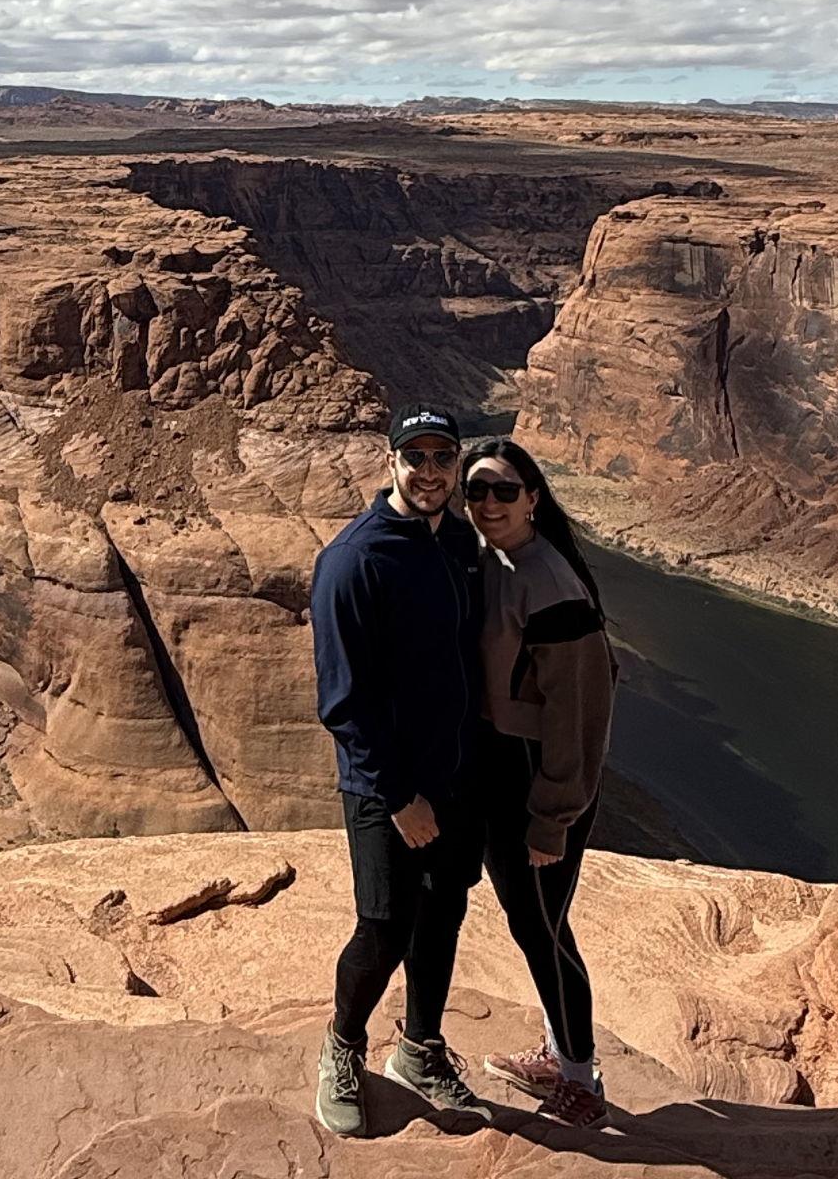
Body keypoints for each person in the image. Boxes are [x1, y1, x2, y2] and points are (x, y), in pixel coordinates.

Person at [309, 404, 491, 1137]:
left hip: (456, 774)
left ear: (457, 465)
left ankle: (419, 1049)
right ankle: (342, 1048)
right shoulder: (355, 560)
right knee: (384, 925)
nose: (428, 472)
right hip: (386, 786)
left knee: (443, 910)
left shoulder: (457, 545)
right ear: (390, 463)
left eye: (441, 458)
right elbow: (342, 704)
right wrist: (398, 796)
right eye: (413, 457)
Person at [464, 438, 616, 1130]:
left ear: (533, 497)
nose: (489, 503)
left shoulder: (550, 583)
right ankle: (561, 1050)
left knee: (543, 930)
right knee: (535, 926)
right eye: (477, 491)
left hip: (539, 779)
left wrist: (553, 815)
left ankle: (580, 1080)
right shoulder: (498, 561)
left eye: (504, 489)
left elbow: (580, 716)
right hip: (504, 767)